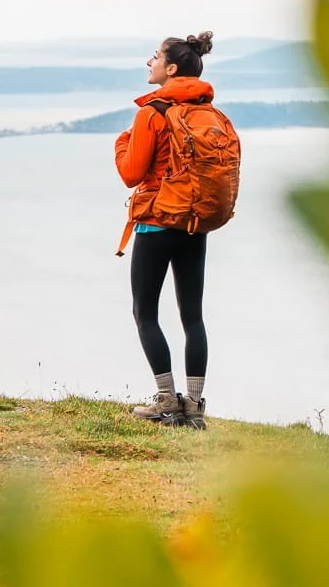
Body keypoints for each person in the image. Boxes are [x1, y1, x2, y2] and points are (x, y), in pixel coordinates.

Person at [114, 31, 217, 430]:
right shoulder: (206, 112)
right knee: (193, 314)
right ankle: (193, 406)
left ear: (171, 69)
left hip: (157, 222)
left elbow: (131, 174)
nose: (149, 62)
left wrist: (121, 142)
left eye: (154, 57)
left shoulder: (152, 113)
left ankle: (165, 401)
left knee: (145, 312)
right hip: (195, 221)